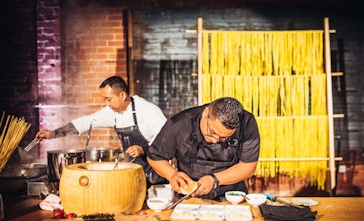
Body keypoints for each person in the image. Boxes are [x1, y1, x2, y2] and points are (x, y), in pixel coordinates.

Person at [36, 76, 168, 186]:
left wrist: (143, 149)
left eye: (108, 99)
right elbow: (86, 122)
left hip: (156, 174)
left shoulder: (148, 111)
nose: (107, 104)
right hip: (134, 174)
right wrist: (53, 133)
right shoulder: (114, 112)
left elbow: (167, 141)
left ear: (122, 95)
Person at [147, 97, 260, 200]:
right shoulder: (180, 124)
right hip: (189, 197)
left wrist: (214, 180)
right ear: (205, 112)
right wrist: (171, 174)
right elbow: (155, 156)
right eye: (212, 132)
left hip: (232, 197)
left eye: (224, 138)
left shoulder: (247, 123)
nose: (215, 140)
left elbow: (248, 166)